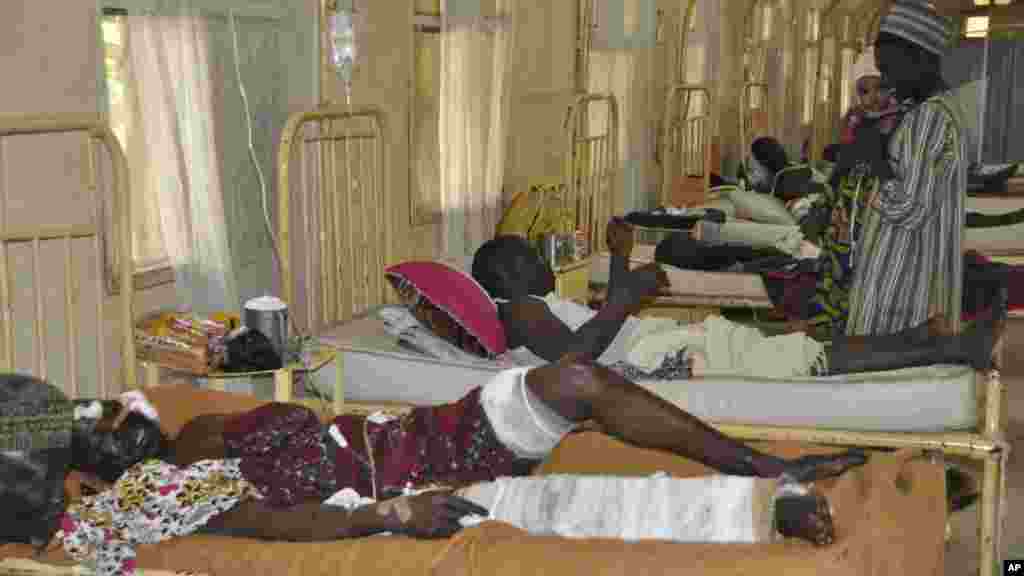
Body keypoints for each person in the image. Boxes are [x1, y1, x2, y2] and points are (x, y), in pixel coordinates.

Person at [3, 369, 870, 576]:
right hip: (403, 482)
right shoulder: (152, 497)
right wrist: (386, 518)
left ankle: (768, 470)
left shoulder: (185, 432)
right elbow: (264, 526)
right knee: (547, 507)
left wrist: (166, 420)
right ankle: (763, 506)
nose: (114, 414)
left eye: (107, 408)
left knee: (570, 381)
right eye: (98, 423)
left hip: (424, 432)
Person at [472, 225, 1002, 378]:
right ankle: (951, 352)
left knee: (799, 344)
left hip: (651, 343)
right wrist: (625, 300)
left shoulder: (534, 305)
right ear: (509, 274)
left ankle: (921, 339)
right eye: (530, 255)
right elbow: (574, 358)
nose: (543, 262)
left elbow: (593, 332)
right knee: (800, 356)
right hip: (656, 358)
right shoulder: (518, 310)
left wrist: (619, 263)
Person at [843, 0, 966, 336]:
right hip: (905, 282)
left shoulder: (930, 118)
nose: (889, 82)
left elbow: (911, 208)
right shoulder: (934, 111)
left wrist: (877, 159)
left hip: (902, 289)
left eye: (891, 69)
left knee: (881, 379)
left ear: (922, 59)